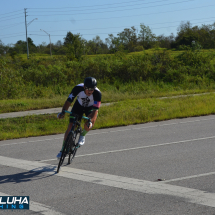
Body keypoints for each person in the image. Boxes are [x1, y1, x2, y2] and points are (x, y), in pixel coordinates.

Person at [56, 77, 102, 159]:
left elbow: (95, 111)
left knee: (89, 123)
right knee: (70, 127)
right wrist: (63, 112)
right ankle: (63, 150)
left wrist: (90, 121)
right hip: (78, 106)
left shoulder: (97, 94)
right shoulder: (77, 88)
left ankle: (83, 135)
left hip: (90, 109)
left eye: (92, 89)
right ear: (84, 87)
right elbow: (68, 101)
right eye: (88, 89)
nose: (90, 92)